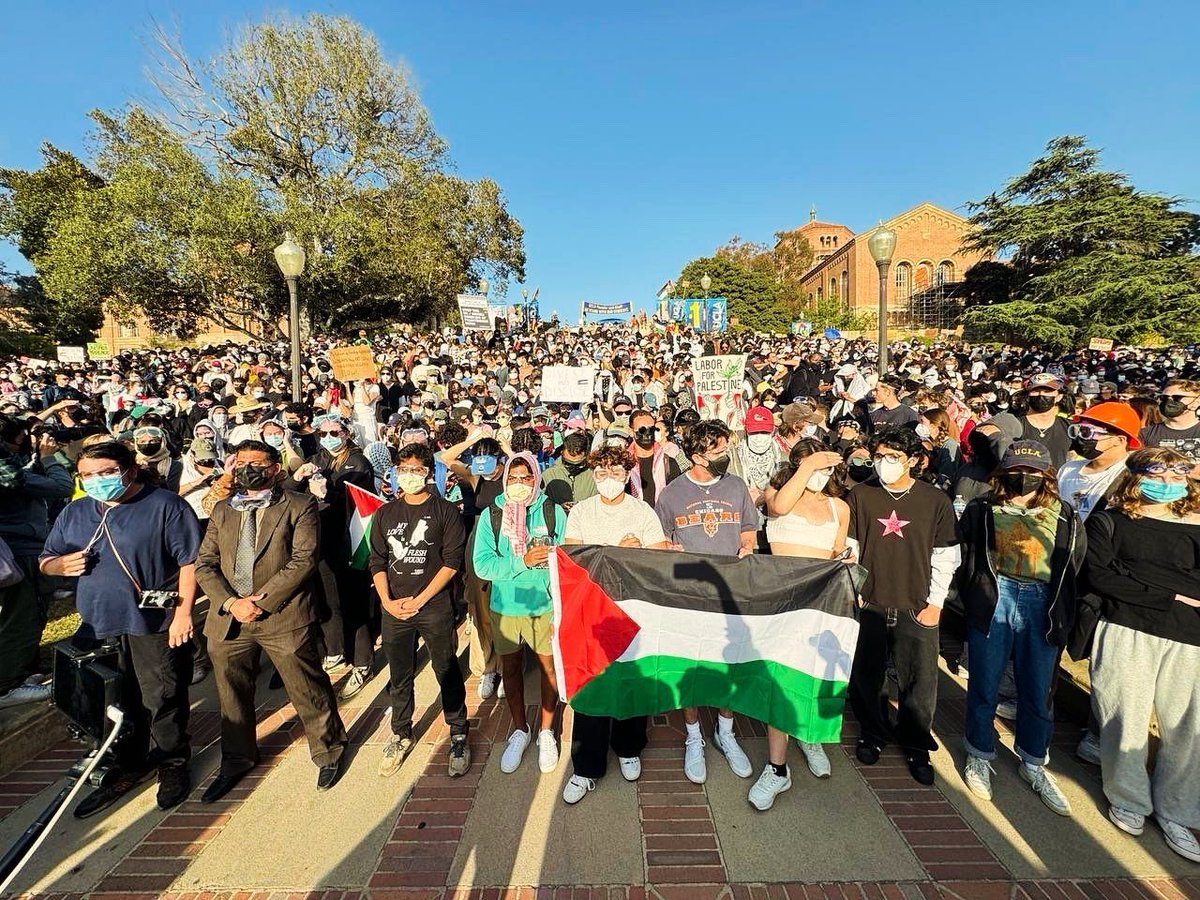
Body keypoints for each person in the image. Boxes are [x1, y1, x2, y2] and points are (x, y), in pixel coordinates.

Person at [40, 442, 200, 817]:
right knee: (113, 700)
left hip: (152, 621)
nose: (97, 480)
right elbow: (46, 559)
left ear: (129, 468)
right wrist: (58, 566)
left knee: (160, 694)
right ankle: (128, 763)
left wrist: (183, 614)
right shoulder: (75, 512)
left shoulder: (165, 506)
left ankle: (172, 762)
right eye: (88, 475)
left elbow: (190, 563)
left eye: (106, 471)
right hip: (97, 623)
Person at [195, 439, 348, 799]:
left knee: (306, 686)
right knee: (231, 693)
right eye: (242, 462)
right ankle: (237, 758)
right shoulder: (223, 510)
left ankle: (328, 749)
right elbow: (205, 563)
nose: (249, 468)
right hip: (230, 618)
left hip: (283, 615)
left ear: (275, 468)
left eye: (257, 462)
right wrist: (232, 603)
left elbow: (303, 560)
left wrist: (260, 602)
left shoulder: (299, 504)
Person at [1083, 447, 1200, 863]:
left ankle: (1178, 810)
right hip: (1126, 627)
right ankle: (1129, 798)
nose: (1167, 484)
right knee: (1124, 716)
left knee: (1187, 727)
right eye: (1158, 475)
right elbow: (1099, 574)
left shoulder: (1196, 525)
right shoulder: (1110, 521)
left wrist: (1162, 594)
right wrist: (1172, 596)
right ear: (1135, 477)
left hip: (1190, 638)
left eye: (1176, 476)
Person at [955, 441, 1084, 816]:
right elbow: (966, 554)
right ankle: (979, 752)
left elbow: (1074, 562)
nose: (1022, 478)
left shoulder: (1064, 515)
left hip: (1042, 600)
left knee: (1038, 686)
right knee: (985, 682)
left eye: (1030, 471)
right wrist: (972, 594)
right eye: (1014, 470)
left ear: (1046, 474)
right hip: (996, 594)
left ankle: (1033, 760)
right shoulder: (982, 508)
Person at [846, 427, 959, 785]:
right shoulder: (861, 495)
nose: (884, 463)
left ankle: (915, 742)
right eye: (879, 456)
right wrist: (856, 589)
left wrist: (936, 603)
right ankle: (873, 731)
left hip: (917, 604)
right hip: (871, 600)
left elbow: (945, 557)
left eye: (893, 457)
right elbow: (850, 548)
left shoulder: (934, 501)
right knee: (868, 674)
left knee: (920, 678)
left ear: (913, 460)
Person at [560, 445, 669, 804]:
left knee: (630, 679)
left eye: (617, 472)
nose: (609, 480)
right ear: (594, 475)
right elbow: (573, 559)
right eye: (602, 472)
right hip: (591, 610)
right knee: (591, 684)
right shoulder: (581, 513)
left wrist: (641, 551)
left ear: (628, 474)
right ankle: (586, 767)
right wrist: (613, 550)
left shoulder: (643, 512)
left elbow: (656, 558)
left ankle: (629, 746)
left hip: (634, 610)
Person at [655, 419, 758, 784]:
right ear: (697, 454)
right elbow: (661, 540)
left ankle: (726, 733)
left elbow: (748, 526)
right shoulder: (670, 494)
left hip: (731, 592)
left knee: (730, 664)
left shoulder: (736, 485)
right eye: (717, 450)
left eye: (725, 448)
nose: (724, 456)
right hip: (689, 595)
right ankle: (694, 735)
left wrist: (747, 544)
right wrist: (669, 548)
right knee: (691, 666)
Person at [752, 439, 850, 809]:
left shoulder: (839, 507)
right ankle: (777, 769)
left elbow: (839, 551)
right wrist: (807, 466)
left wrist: (847, 557)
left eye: (826, 468)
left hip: (822, 604)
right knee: (781, 680)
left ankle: (809, 736)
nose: (819, 475)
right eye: (812, 467)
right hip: (782, 603)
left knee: (814, 675)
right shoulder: (779, 493)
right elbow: (777, 506)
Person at [369, 442, 471, 778]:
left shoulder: (445, 512)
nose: (408, 476)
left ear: (428, 472)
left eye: (415, 469)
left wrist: (423, 599)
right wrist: (386, 601)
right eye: (403, 469)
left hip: (433, 605)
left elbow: (451, 563)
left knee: (446, 669)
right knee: (399, 674)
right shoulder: (385, 514)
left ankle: (458, 731)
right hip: (394, 606)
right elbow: (378, 561)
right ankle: (401, 732)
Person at [472, 452, 565, 775]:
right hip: (506, 608)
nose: (520, 484)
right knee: (510, 669)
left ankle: (547, 731)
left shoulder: (551, 512)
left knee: (549, 670)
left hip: (544, 606)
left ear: (536, 479)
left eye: (527, 478)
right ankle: (519, 729)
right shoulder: (492, 515)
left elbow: (568, 560)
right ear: (504, 479)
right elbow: (482, 565)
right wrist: (521, 561)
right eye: (513, 478)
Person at [294, 414, 376, 681]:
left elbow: (357, 500)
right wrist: (298, 477)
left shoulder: (358, 461)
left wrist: (328, 492)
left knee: (354, 600)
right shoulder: (318, 459)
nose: (329, 438)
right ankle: (336, 650)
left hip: (350, 540)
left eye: (334, 432)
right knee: (328, 600)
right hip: (322, 540)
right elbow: (291, 491)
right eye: (323, 434)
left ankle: (363, 659)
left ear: (346, 433)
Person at [0, 415, 74, 708]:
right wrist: (49, 456)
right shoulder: (8, 473)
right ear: (17, 439)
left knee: (27, 616)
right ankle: (7, 686)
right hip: (18, 552)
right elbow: (60, 486)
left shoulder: (15, 468)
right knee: (19, 619)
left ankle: (20, 670)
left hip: (19, 548)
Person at [439, 430, 506, 699]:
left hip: (508, 540)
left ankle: (507, 667)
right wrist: (473, 438)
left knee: (507, 607)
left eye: (488, 457)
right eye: (479, 458)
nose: (484, 463)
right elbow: (446, 457)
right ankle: (488, 667)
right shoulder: (475, 477)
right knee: (480, 608)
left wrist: (505, 445)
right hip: (480, 540)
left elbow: (530, 469)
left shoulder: (514, 474)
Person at [1057, 402, 1141, 522]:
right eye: (1078, 431)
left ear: (1119, 440)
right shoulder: (1068, 469)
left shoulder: (1133, 477)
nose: (1080, 438)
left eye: (1088, 432)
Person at [1139, 378, 1200, 473]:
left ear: (1197, 402)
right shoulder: (1145, 434)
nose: (1169, 402)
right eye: (1164, 398)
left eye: (1177, 398)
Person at [628, 408, 682, 506]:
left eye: (651, 429)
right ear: (631, 432)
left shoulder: (668, 463)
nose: (647, 433)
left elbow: (676, 498)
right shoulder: (624, 464)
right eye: (642, 429)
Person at [1020, 374, 1072, 467]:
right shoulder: (1014, 424)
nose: (1041, 395)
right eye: (1035, 391)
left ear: (1059, 397)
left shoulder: (1069, 427)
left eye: (1047, 391)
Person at [542, 430, 597, 509]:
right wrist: (558, 509)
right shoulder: (547, 475)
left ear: (587, 455)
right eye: (569, 463)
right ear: (561, 452)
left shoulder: (596, 475)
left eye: (579, 464)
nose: (573, 467)